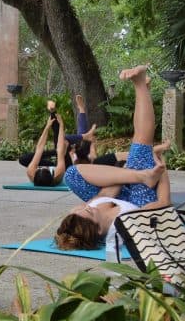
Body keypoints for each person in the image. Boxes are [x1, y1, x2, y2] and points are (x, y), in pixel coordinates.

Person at [56, 65, 172, 249]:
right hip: (140, 200)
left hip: (127, 187)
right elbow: (164, 203)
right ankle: (140, 84)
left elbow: (109, 190)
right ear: (100, 230)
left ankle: (143, 172)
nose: (83, 206)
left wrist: (129, 170)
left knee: (72, 175)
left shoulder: (87, 212)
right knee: (141, 143)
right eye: (88, 211)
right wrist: (160, 168)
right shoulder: (128, 224)